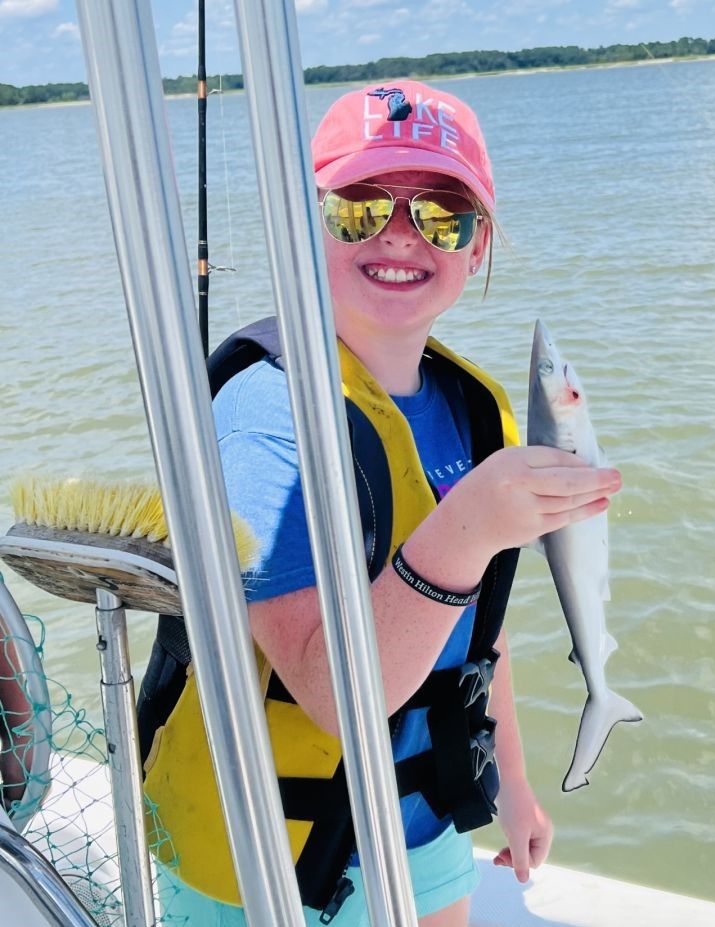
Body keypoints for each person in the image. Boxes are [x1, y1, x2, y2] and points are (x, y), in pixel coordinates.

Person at [141, 79, 621, 926]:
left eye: (444, 214)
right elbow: (334, 693)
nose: (402, 234)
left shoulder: (475, 411)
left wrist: (510, 778)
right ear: (304, 229)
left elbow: (484, 625)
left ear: (477, 250)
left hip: (422, 824)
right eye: (361, 207)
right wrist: (469, 526)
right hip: (261, 858)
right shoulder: (262, 420)